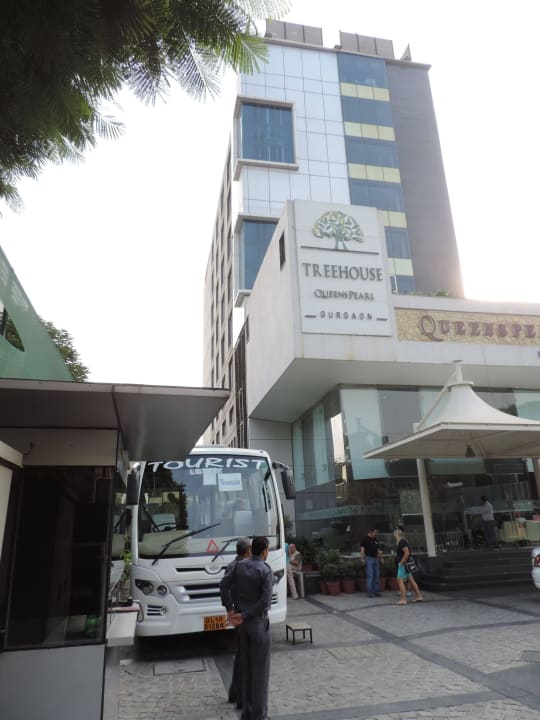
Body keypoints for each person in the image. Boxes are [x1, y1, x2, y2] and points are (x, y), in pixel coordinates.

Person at [219, 536, 273, 720]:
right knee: (260, 672)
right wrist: (244, 615)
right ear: (264, 551)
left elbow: (223, 585)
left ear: (252, 549)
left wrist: (230, 609)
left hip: (242, 625)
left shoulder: (239, 566)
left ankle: (247, 712)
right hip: (257, 623)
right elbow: (265, 602)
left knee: (246, 667)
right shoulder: (265, 570)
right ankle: (259, 715)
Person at [219, 537, 252, 710]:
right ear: (247, 551)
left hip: (238, 612)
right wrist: (231, 609)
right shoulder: (241, 566)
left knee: (241, 654)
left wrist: (229, 608)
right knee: (244, 655)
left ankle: (234, 692)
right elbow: (224, 586)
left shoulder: (233, 565)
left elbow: (224, 587)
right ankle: (240, 696)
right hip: (242, 615)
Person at [393, 526, 423, 605]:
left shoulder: (402, 541)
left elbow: (407, 553)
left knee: (400, 581)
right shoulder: (402, 541)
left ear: (397, 533)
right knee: (411, 581)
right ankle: (419, 596)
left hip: (403, 565)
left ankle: (403, 599)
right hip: (405, 564)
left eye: (394, 532)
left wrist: (401, 563)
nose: (394, 534)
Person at [360, 527, 382, 598]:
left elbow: (378, 549)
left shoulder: (375, 539)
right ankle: (370, 592)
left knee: (377, 575)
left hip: (376, 558)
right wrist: (362, 558)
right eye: (375, 532)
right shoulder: (365, 539)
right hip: (369, 558)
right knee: (370, 575)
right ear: (371, 532)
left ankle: (377, 591)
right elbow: (362, 550)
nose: (376, 533)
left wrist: (381, 557)